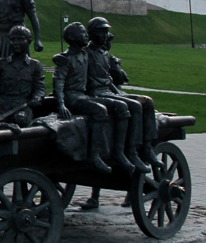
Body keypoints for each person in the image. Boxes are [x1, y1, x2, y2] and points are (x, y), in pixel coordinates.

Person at [85, 17, 151, 174]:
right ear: (92, 33)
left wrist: (121, 94)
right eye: (102, 32)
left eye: (106, 31)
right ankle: (122, 152)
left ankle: (144, 148)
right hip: (94, 93)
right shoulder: (86, 53)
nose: (106, 35)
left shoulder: (103, 53)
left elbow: (109, 80)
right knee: (131, 106)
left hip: (107, 91)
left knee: (146, 101)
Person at [52, 22, 113, 173]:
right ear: (73, 37)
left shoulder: (84, 53)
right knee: (100, 111)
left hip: (83, 96)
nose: (87, 35)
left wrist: (107, 39)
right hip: (72, 98)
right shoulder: (65, 59)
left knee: (107, 107)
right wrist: (61, 104)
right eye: (83, 33)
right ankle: (94, 155)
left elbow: (100, 48)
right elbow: (58, 83)